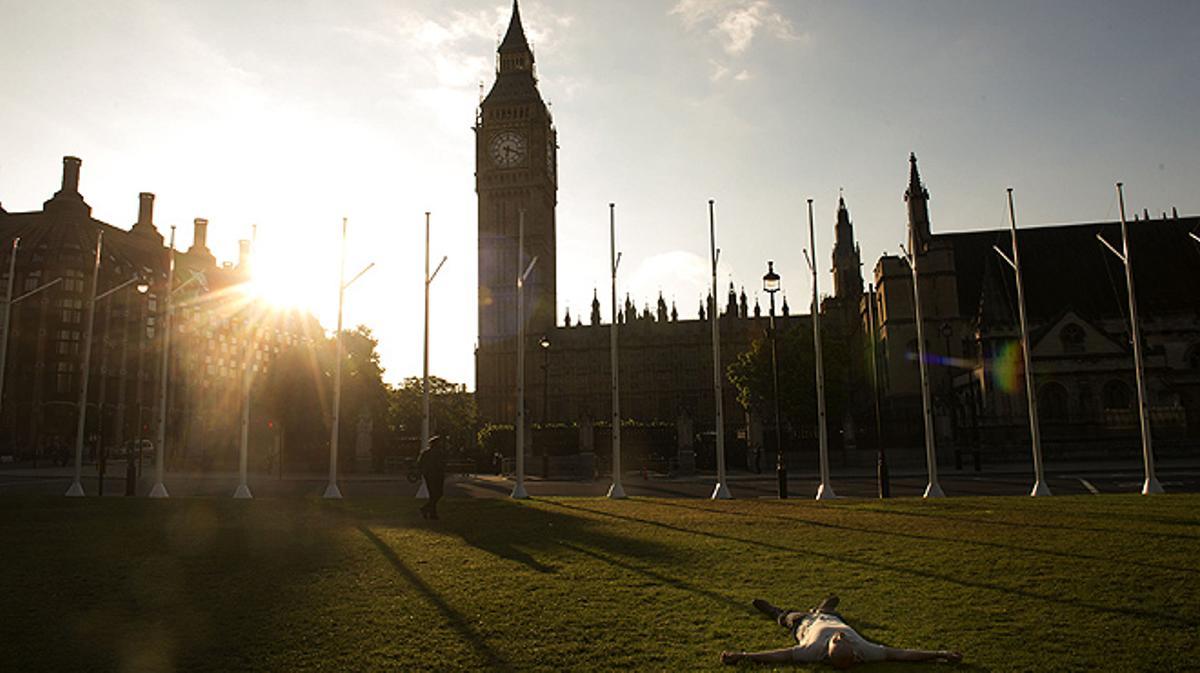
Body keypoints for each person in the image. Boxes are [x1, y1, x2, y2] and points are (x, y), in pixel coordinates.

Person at [720, 596, 962, 669]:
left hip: (803, 622)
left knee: (783, 616)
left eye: (838, 639)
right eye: (843, 638)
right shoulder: (866, 651)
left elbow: (776, 656)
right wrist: (941, 653)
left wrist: (741, 655)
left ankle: (768, 607)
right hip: (833, 617)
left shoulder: (811, 650)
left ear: (828, 650)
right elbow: (903, 654)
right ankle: (827, 604)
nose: (842, 636)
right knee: (828, 608)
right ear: (855, 653)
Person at [417, 436, 446, 520]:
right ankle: (426, 510)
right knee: (438, 494)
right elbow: (441, 464)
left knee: (433, 494)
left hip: (429, 475)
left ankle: (431, 512)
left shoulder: (425, 453)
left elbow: (419, 463)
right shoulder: (439, 453)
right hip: (436, 475)